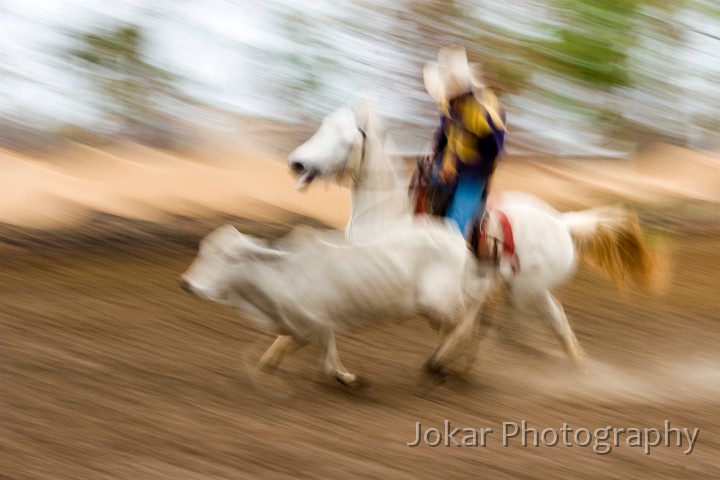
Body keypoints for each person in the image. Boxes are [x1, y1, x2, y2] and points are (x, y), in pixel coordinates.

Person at [411, 45, 506, 238]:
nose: (448, 98)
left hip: (475, 173)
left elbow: (493, 152)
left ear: (464, 90)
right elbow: (444, 132)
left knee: (456, 223)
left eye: (452, 93)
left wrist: (457, 169)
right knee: (418, 193)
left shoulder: (485, 113)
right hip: (450, 164)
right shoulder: (447, 102)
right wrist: (435, 154)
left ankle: (456, 251)